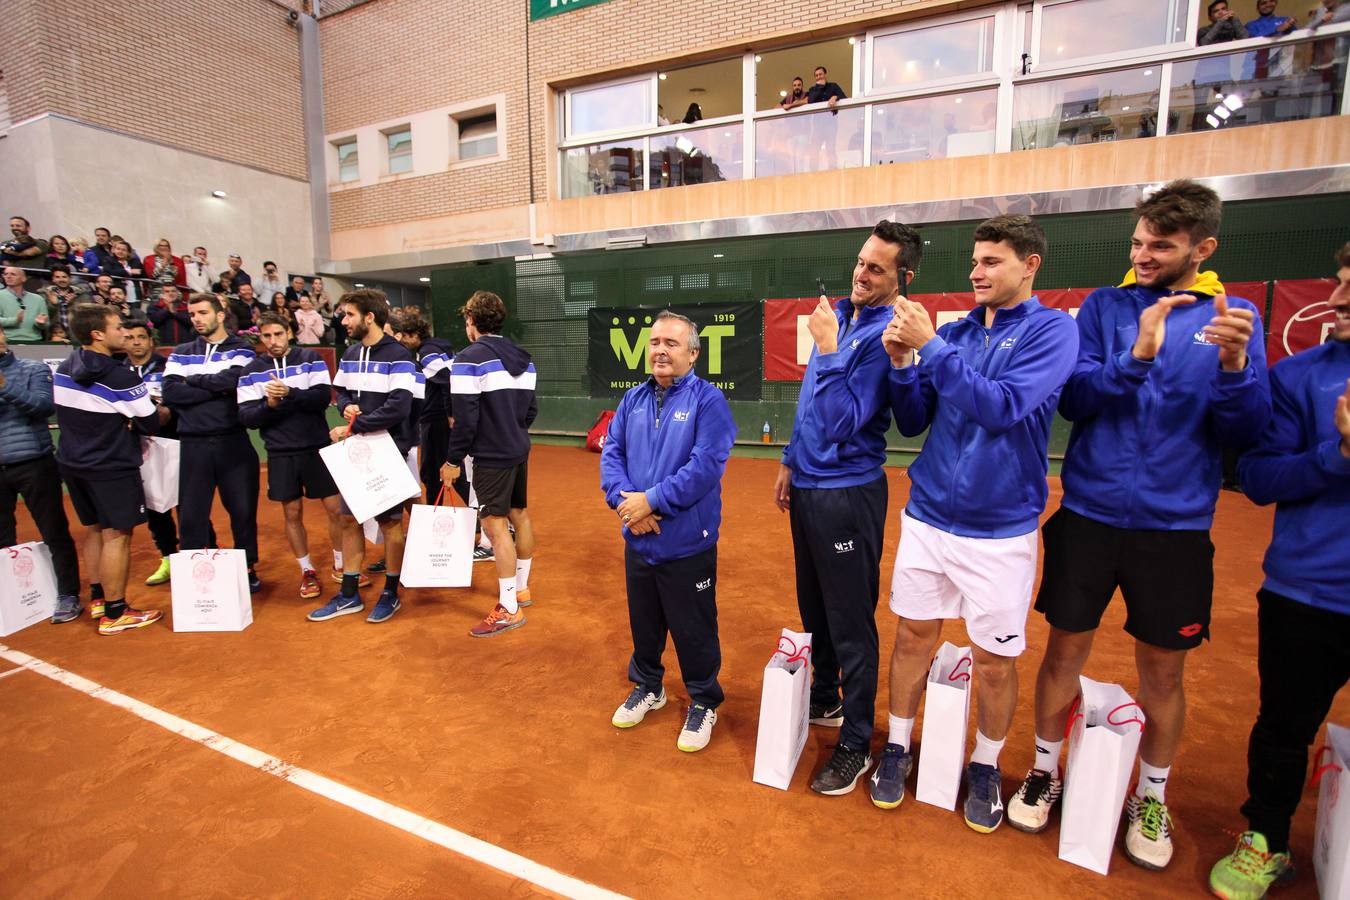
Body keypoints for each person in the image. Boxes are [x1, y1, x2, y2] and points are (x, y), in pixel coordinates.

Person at [1010, 180, 1270, 869]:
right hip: (1089, 515)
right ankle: (1045, 767)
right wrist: (1139, 355)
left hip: (1176, 529)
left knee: (1164, 675)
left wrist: (1239, 368)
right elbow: (1078, 398)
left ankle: (1151, 794)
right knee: (1064, 652)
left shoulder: (1234, 316)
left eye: (1161, 245)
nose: (1144, 254)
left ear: (1202, 248)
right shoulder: (1104, 308)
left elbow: (1245, 435)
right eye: (1137, 242)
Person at [874, 216, 1078, 828]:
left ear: (1030, 264)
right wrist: (905, 364)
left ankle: (986, 764)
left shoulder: (1052, 334)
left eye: (991, 261)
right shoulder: (957, 333)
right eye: (975, 260)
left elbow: (1003, 408)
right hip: (929, 516)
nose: (976, 272)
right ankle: (897, 746)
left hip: (1001, 529)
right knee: (913, 635)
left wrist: (931, 348)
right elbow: (913, 421)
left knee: (993, 658)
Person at [1208, 243, 1350, 900]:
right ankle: (1265, 836)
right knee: (1284, 726)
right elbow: (1258, 478)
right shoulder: (1298, 377)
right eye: (1340, 284)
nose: (1340, 300)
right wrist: (1341, 452)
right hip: (1306, 592)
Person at [774, 220, 919, 795]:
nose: (861, 274)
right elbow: (812, 398)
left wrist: (830, 346)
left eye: (876, 268)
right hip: (808, 485)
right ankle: (827, 700)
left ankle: (857, 741)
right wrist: (789, 457)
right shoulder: (842, 312)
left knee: (850, 621)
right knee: (814, 607)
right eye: (861, 262)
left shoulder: (892, 336)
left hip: (849, 494)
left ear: (903, 277)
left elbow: (839, 422)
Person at [600, 310, 736, 752]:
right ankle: (649, 686)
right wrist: (627, 503)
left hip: (686, 543)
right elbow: (611, 456)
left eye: (671, 343)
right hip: (638, 536)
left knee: (694, 627)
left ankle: (703, 699)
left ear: (693, 354)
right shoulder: (631, 401)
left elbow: (705, 467)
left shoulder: (709, 401)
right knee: (645, 622)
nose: (660, 350)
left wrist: (651, 500)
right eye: (655, 342)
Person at [308, 288, 421, 624]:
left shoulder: (400, 355)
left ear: (369, 317)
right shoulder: (351, 353)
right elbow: (340, 390)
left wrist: (355, 426)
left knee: (389, 523)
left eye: (349, 315)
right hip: (356, 451)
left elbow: (399, 406)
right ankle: (349, 594)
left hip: (389, 448)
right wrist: (346, 407)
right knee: (348, 519)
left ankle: (390, 592)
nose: (343, 321)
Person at [53, 304, 163, 634]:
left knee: (96, 529)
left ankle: (99, 597)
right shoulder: (118, 375)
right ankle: (116, 612)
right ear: (97, 334)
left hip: (73, 463)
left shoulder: (64, 366)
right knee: (118, 535)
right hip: (111, 466)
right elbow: (150, 421)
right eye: (118, 328)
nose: (125, 334)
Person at [439, 290, 538, 638]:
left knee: (495, 528)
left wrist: (452, 460)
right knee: (519, 515)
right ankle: (521, 589)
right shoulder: (526, 359)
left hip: (491, 457)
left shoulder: (468, 359)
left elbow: (465, 420)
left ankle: (509, 608)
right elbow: (530, 411)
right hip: (517, 448)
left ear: (471, 322)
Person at [238, 312, 344, 603]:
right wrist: (270, 404)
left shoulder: (309, 358)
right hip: (280, 453)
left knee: (335, 509)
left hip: (316, 447)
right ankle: (307, 570)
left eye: (278, 334)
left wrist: (290, 393)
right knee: (292, 513)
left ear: (290, 333)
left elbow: (322, 398)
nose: (273, 341)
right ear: (261, 338)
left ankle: (340, 563)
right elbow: (248, 417)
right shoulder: (250, 371)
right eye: (267, 336)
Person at [162, 292, 262, 593]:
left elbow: (234, 382)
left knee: (242, 512)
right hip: (192, 444)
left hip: (233, 441)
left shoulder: (242, 348)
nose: (197, 319)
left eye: (203, 312)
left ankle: (247, 568)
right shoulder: (180, 351)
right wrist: (213, 388)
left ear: (220, 315)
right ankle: (196, 573)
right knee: (191, 514)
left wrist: (191, 382)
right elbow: (170, 393)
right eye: (193, 314)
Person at [0, 321, 83, 622]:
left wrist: (5, 387)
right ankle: (10, 598)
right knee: (2, 537)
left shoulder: (32, 369)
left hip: (33, 462)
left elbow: (43, 406)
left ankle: (68, 594)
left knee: (54, 532)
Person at [122, 318, 180, 587]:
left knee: (186, 503)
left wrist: (168, 413)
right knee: (155, 507)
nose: (135, 342)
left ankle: (201, 552)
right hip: (135, 446)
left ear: (150, 340)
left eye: (140, 337)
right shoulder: (117, 371)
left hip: (171, 442)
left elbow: (179, 402)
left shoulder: (168, 367)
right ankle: (168, 557)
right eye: (130, 337)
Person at [390, 307, 457, 503]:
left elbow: (446, 380)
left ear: (415, 335)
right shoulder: (439, 347)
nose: (402, 340)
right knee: (436, 470)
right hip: (437, 417)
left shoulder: (426, 352)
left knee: (433, 471)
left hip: (436, 419)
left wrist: (451, 413)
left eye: (406, 336)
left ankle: (434, 518)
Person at [0, 266, 49, 342]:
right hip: (7, 342)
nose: (8, 277)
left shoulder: (38, 299)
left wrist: (40, 323)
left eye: (13, 274)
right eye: (5, 274)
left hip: (34, 342)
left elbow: (47, 324)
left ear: (23, 278)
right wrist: (15, 321)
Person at [43, 265, 88, 337]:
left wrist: (72, 304)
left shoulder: (81, 295)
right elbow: (43, 317)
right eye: (57, 277)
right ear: (53, 279)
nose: (61, 280)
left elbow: (86, 317)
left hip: (76, 336)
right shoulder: (45, 294)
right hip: (53, 336)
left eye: (64, 277)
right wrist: (53, 305)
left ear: (70, 278)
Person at [103, 239, 144, 307]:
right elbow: (109, 272)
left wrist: (136, 272)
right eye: (118, 249)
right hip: (117, 293)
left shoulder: (134, 261)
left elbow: (141, 273)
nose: (120, 251)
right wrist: (129, 272)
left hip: (133, 293)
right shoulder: (109, 260)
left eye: (123, 250)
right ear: (114, 250)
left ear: (128, 252)